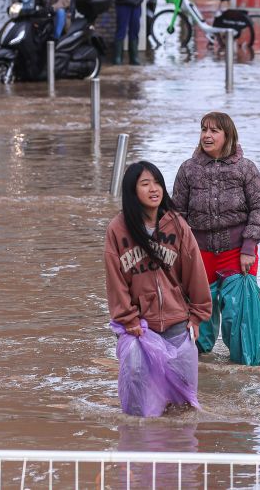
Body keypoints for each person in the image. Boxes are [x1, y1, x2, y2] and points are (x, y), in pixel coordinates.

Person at [104, 161, 212, 412]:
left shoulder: (176, 224)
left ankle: (179, 449)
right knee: (139, 408)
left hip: (177, 325)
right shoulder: (117, 230)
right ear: (132, 192)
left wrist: (197, 316)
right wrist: (128, 318)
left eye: (157, 183)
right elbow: (115, 279)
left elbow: (195, 271)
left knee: (183, 407)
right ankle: (141, 449)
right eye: (145, 184)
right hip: (139, 331)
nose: (154, 189)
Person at [171, 112, 260, 351]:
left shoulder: (245, 169)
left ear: (228, 135)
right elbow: (177, 216)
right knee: (196, 325)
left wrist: (249, 248)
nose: (207, 135)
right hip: (198, 255)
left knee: (240, 321)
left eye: (214, 131)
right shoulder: (188, 170)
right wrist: (179, 255)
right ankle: (202, 376)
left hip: (237, 254)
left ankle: (245, 375)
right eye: (204, 129)